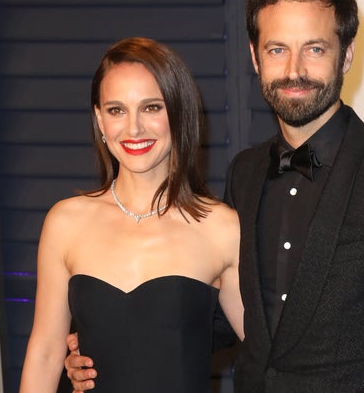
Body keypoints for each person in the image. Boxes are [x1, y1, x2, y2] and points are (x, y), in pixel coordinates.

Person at [65, 0, 364, 392]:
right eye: (277, 49)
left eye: (314, 49)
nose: (295, 69)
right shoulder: (246, 172)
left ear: (346, 55)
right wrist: (107, 345)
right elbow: (231, 321)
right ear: (256, 58)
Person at [19, 37, 244, 393]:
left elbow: (271, 355)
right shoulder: (65, 223)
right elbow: (45, 353)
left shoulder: (221, 228)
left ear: (178, 113)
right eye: (116, 110)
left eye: (152, 108)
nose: (134, 128)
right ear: (99, 119)